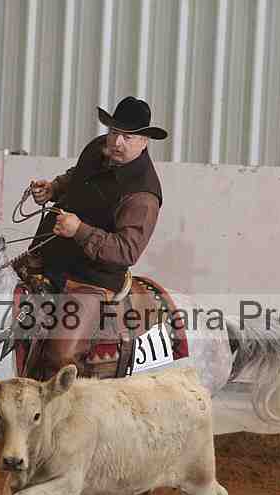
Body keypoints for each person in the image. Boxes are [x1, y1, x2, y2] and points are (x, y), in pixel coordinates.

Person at [19, 96, 168, 380]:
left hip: (91, 280)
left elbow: (127, 251)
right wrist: (54, 188)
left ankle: (60, 405)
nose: (117, 142)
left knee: (60, 356)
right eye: (114, 132)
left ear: (144, 141)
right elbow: (77, 176)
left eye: (127, 137)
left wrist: (79, 230)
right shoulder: (99, 148)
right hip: (47, 256)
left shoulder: (143, 194)